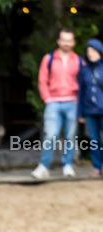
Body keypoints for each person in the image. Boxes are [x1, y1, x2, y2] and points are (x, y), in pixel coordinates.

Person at [32, 29, 82, 179]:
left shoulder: (79, 60)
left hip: (72, 102)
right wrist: (47, 98)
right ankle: (44, 166)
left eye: (69, 40)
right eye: (64, 40)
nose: (66, 43)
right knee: (51, 135)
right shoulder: (49, 59)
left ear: (73, 43)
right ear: (59, 41)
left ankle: (68, 165)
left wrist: (78, 99)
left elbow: (83, 82)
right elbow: (42, 80)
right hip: (53, 102)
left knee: (71, 136)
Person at [78, 39, 103, 177]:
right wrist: (80, 112)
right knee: (94, 140)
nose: (91, 54)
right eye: (88, 52)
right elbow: (81, 91)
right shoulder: (84, 70)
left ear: (99, 51)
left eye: (93, 51)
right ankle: (97, 167)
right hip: (89, 111)